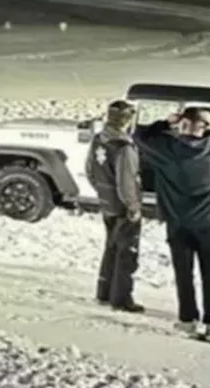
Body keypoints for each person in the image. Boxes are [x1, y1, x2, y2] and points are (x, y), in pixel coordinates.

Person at [134, 106, 210, 340]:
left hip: (178, 223)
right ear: (204, 127)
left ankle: (187, 319)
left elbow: (138, 135)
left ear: (182, 126)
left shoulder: (166, 150)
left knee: (183, 273)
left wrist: (166, 123)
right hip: (209, 224)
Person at [87, 99, 144, 312]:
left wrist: (103, 192)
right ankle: (121, 298)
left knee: (110, 247)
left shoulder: (99, 140)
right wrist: (133, 206)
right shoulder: (124, 147)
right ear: (128, 120)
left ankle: (104, 291)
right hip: (121, 206)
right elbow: (126, 180)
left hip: (106, 202)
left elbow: (91, 170)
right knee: (126, 252)